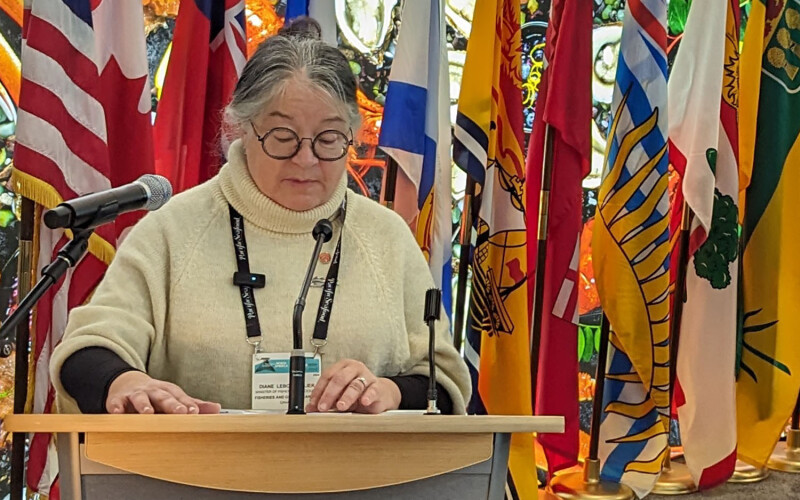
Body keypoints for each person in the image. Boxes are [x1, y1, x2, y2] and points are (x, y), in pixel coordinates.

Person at [49, 18, 471, 416]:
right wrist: (124, 382)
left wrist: (391, 392)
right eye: (283, 137)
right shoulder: (173, 229)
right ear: (240, 129)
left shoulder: (386, 238)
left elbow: (445, 384)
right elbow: (87, 349)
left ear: (352, 136)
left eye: (328, 139)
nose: (306, 159)